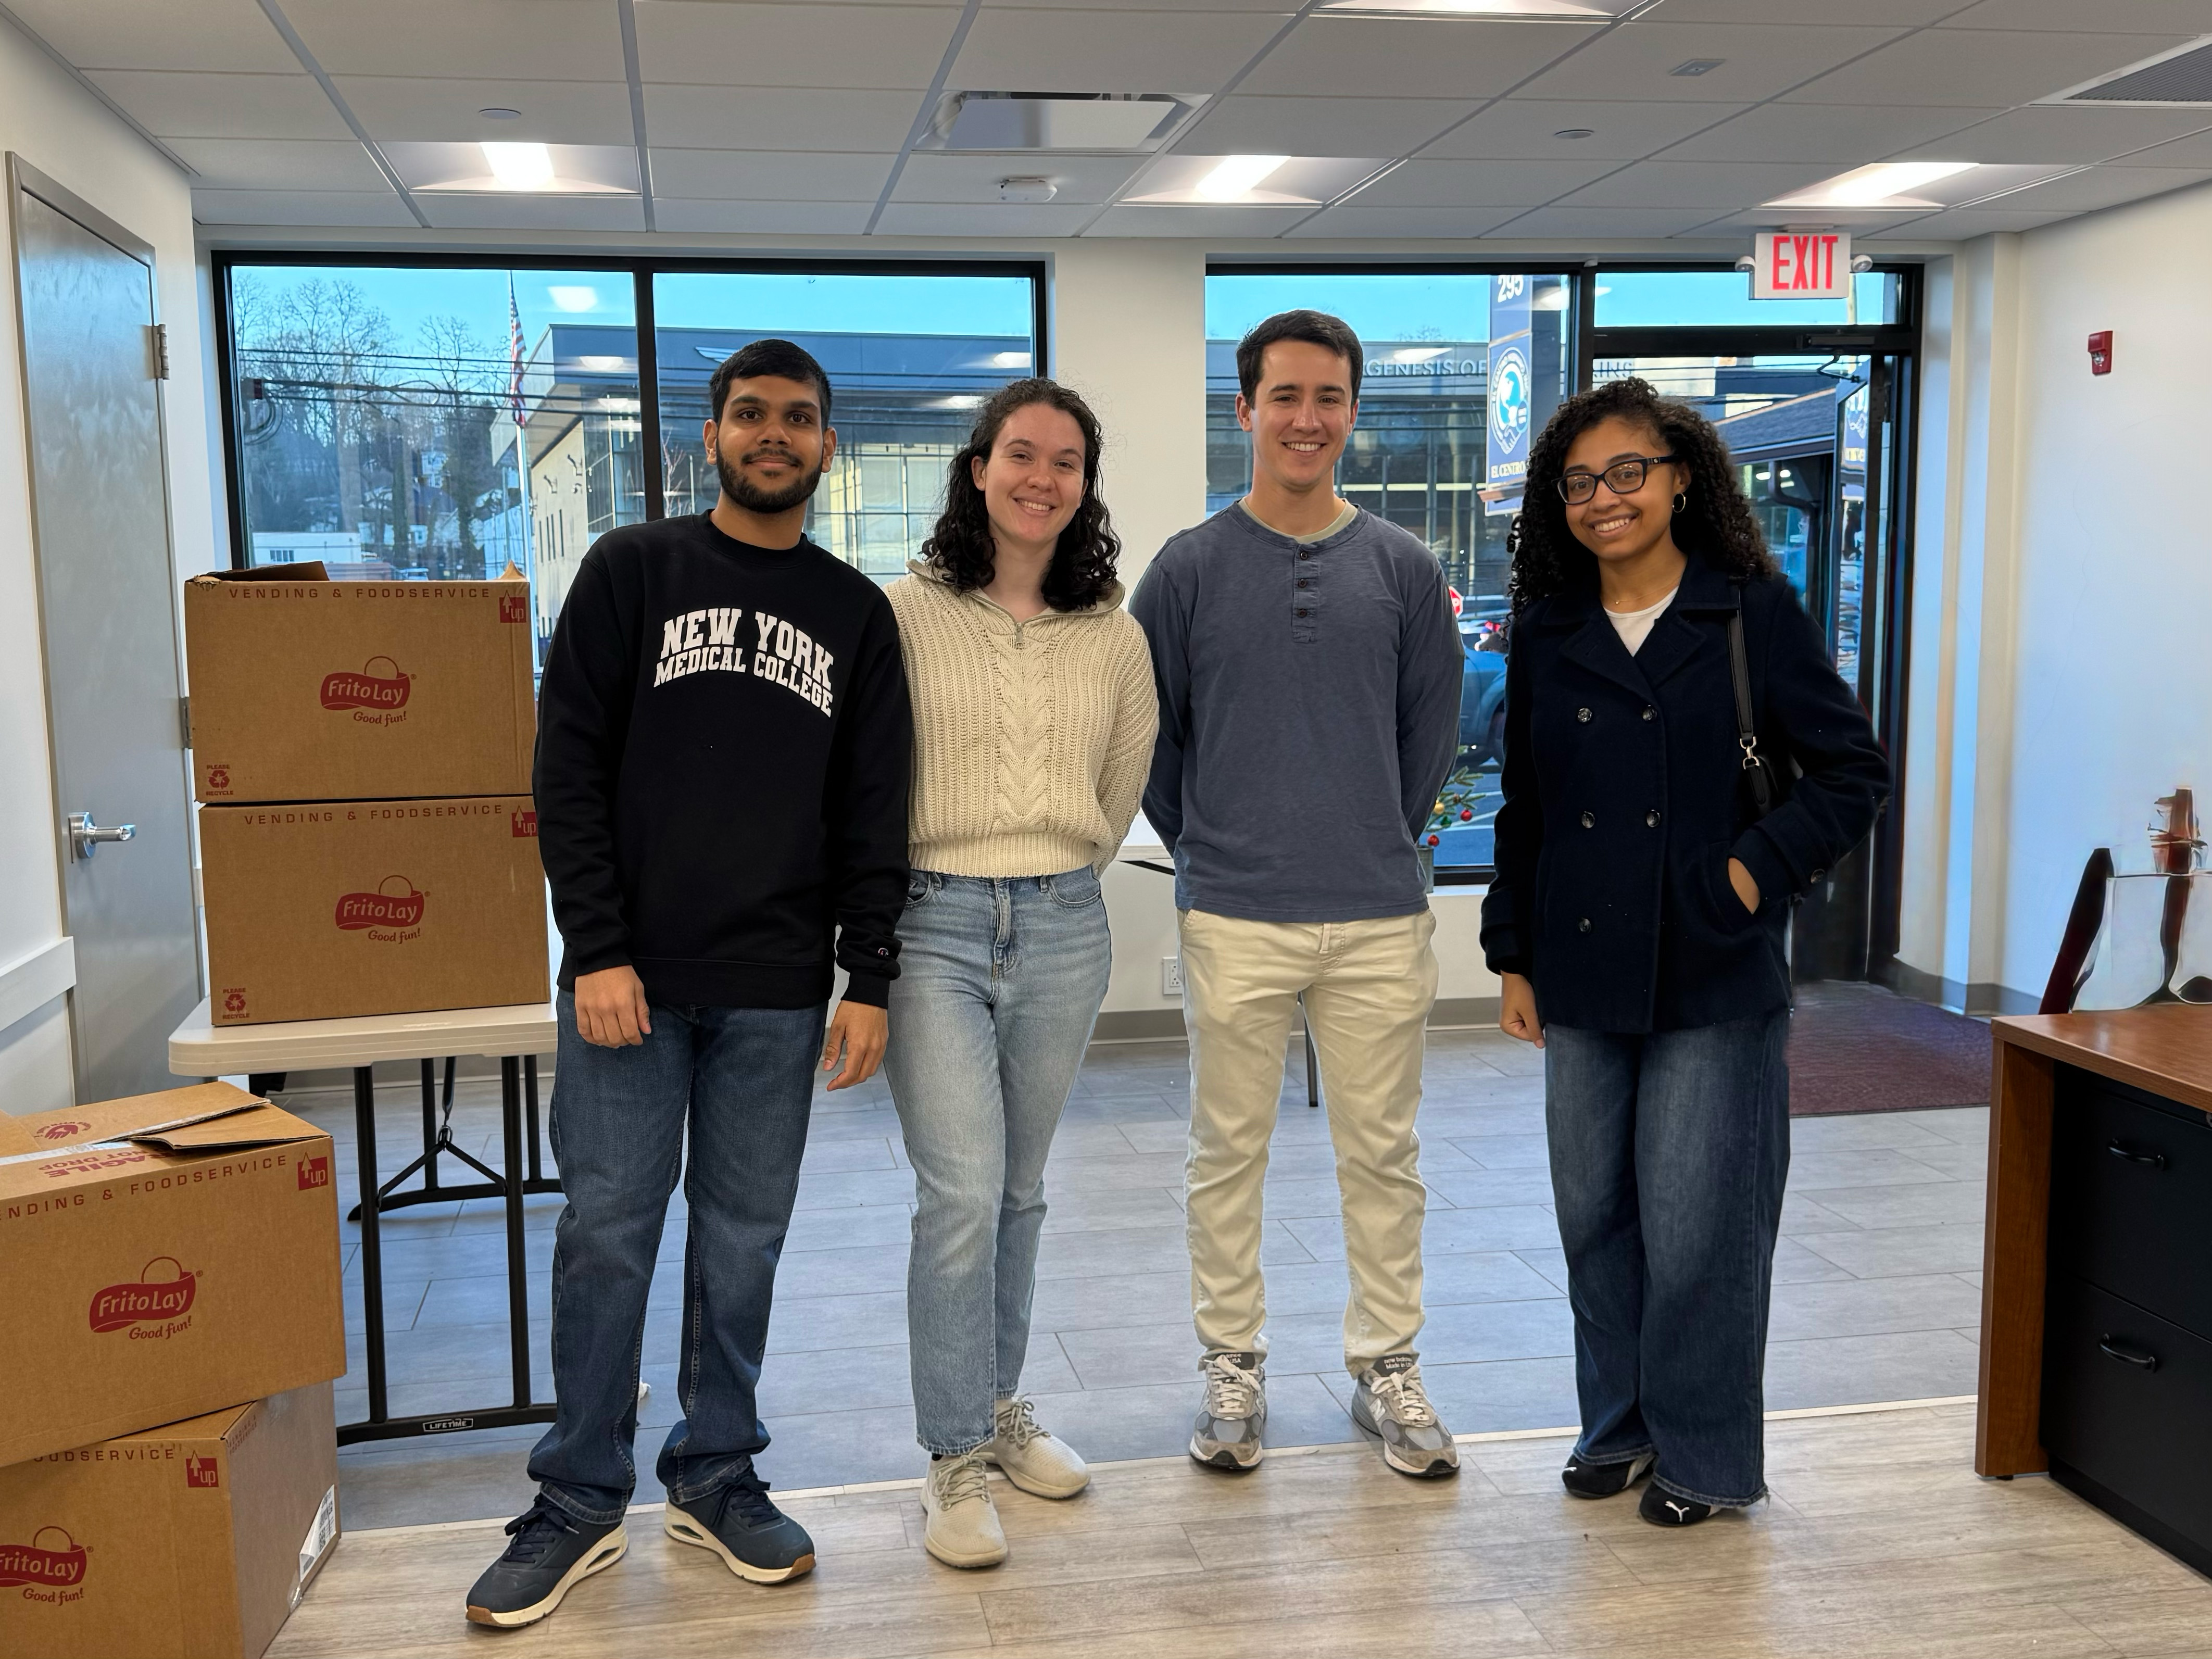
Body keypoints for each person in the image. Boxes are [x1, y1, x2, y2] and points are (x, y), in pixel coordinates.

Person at [465, 338, 913, 1628]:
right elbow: (567, 777)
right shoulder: (631, 573)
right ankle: (577, 1496)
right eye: (752, 415)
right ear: (710, 436)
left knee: (743, 1240)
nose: (775, 435)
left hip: (777, 986)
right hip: (633, 982)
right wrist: (596, 948)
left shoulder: (854, 614)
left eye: (800, 419)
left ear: (827, 446)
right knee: (609, 1234)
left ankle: (716, 1471)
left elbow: (874, 811)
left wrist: (866, 973)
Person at [1481, 376, 1889, 1527]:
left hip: (1714, 964)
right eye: (1579, 482)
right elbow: (1527, 808)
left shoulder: (1748, 610)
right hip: (1578, 965)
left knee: (1701, 1220)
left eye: (1628, 473)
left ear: (1679, 480)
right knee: (1593, 1216)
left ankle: (1704, 1457)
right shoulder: (1551, 628)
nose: (1605, 499)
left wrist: (1752, 872)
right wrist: (1513, 952)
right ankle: (1618, 1428)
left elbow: (1854, 774)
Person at [1132, 310, 1466, 1480]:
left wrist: (1369, 831)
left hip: (1378, 913)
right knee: (1227, 1150)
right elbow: (1152, 743)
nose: (1308, 418)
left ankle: (1387, 1364)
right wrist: (1213, 844)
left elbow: (1428, 742)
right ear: (1246, 410)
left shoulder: (1405, 570)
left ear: (1352, 415)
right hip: (1233, 912)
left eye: (1329, 397)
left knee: (1385, 1151)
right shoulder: (1184, 569)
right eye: (1286, 396)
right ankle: (1233, 1361)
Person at [884, 379, 1158, 1569]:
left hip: (1063, 921)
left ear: (1085, 486)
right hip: (930, 922)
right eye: (1020, 455)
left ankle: (997, 1410)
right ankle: (951, 1459)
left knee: (1022, 1192)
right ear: (979, 468)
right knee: (958, 1193)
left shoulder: (1114, 630)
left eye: (1066, 462)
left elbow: (1126, 774)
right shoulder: (903, 611)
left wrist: (1056, 865)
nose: (1041, 478)